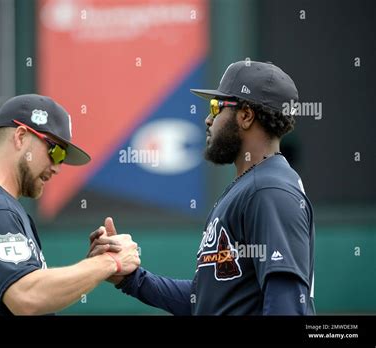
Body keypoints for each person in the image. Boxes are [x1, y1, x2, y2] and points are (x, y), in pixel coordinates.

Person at [89, 61, 316, 315]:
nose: (209, 119)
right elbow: (206, 300)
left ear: (246, 116)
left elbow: (285, 304)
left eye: (216, 107)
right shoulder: (251, 186)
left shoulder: (270, 190)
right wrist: (132, 279)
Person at [0, 94, 141, 315]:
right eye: (55, 152)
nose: (58, 168)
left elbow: (30, 290)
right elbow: (26, 297)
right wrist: (108, 263)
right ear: (20, 137)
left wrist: (89, 269)